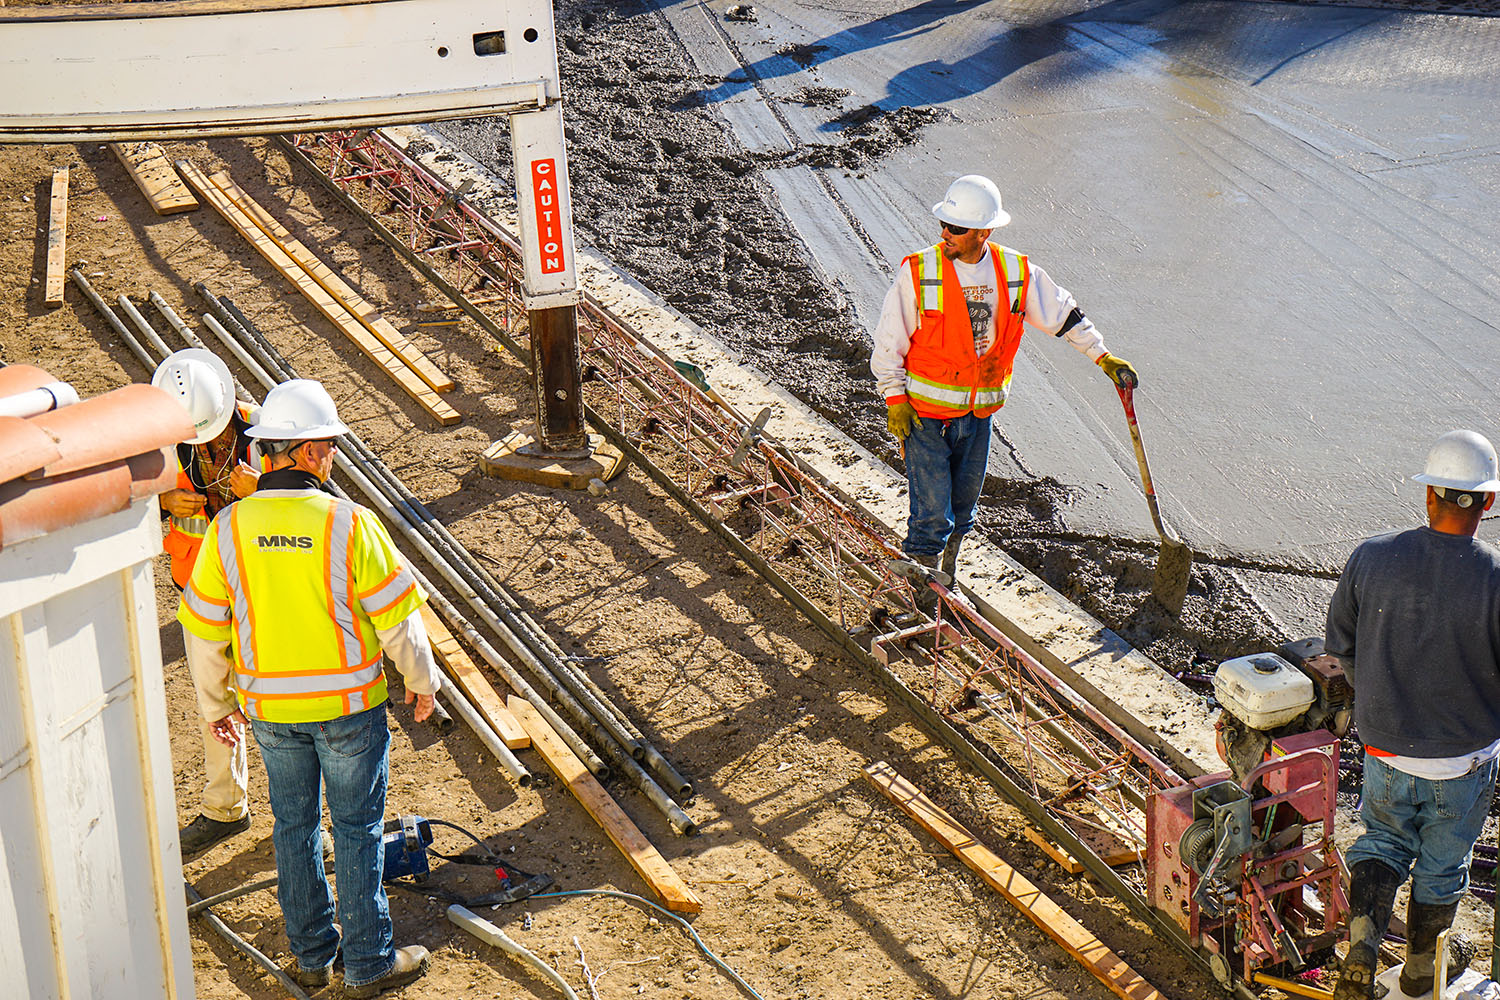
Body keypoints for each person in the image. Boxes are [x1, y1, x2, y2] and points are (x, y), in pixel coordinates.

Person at [178, 379, 441, 997]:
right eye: (326, 447)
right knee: (355, 830)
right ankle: (370, 961)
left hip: (271, 713)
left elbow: (203, 630)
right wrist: (422, 683)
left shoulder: (228, 530)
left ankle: (314, 958)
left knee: (293, 830)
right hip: (350, 709)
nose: (332, 458)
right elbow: (398, 621)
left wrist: (217, 706)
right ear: (302, 452)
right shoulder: (352, 523)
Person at [871, 175, 1136, 601]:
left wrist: (1102, 356)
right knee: (930, 513)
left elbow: (1062, 314)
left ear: (983, 232)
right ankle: (918, 594)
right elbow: (890, 340)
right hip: (924, 414)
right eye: (944, 224)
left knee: (962, 511)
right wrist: (895, 398)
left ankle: (946, 581)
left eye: (956, 228)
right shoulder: (920, 270)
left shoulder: (1014, 271)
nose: (945, 234)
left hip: (978, 416)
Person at [1327, 429, 1500, 1000]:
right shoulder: (1497, 579)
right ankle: (1422, 969)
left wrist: (1378, 695)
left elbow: (1341, 648)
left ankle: (1363, 939)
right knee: (1443, 866)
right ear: (1489, 504)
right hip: (1463, 761)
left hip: (1385, 750)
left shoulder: (1372, 556)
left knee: (1381, 842)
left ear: (1429, 496)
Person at [153, 349, 266, 858]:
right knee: (214, 705)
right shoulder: (159, 441)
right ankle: (226, 808)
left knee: (282, 702)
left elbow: (311, 495)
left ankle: (309, 819)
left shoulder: (267, 431)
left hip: (258, 592)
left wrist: (259, 491)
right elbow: (121, 497)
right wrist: (160, 504)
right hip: (198, 593)